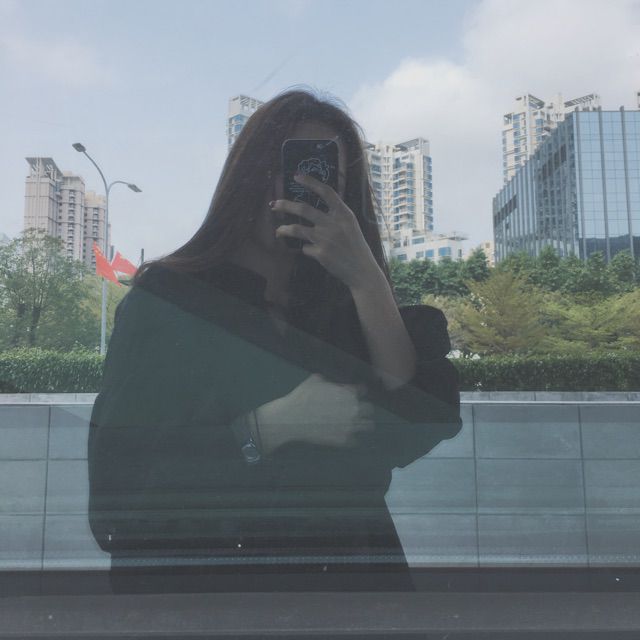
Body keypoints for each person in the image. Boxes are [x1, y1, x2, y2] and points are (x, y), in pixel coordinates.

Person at [88, 88, 462, 593]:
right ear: (243, 177)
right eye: (281, 166)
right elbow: (117, 507)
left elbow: (418, 424)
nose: (293, 188)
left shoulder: (340, 303)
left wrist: (368, 280)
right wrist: (267, 429)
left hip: (356, 586)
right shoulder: (172, 301)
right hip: (213, 593)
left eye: (319, 174)